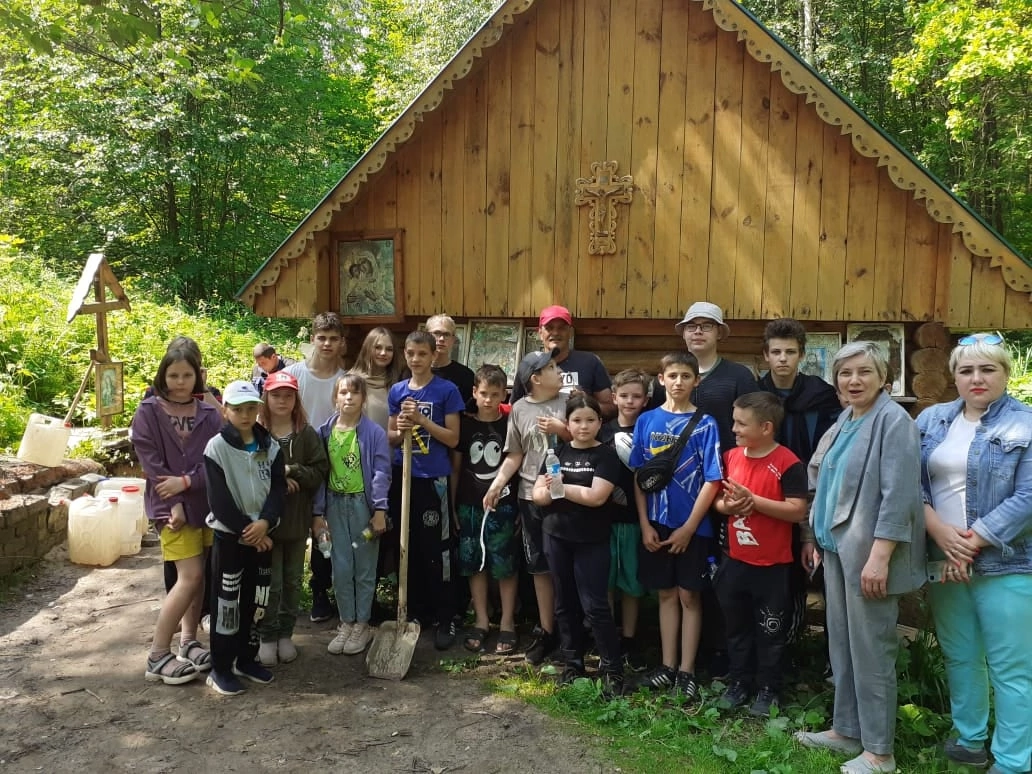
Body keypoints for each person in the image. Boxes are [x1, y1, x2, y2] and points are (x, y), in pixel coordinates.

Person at [794, 342, 925, 774]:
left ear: (883, 377)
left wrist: (880, 556)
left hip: (870, 555)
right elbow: (823, 481)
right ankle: (847, 729)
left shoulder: (894, 422)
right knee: (843, 644)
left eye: (863, 372)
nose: (854, 380)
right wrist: (813, 534)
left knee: (872, 649)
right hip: (837, 551)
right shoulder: (845, 419)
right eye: (845, 373)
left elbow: (900, 495)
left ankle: (880, 753)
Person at [916, 333, 1032, 774]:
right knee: (961, 655)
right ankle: (969, 741)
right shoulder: (931, 421)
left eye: (988, 369)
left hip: (1007, 563)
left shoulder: (1026, 423)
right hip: (943, 559)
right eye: (966, 370)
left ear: (1005, 373)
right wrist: (941, 536)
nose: (977, 378)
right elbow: (914, 485)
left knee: (1012, 667)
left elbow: (1028, 496)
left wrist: (970, 541)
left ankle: (1013, 762)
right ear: (954, 377)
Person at [630, 352, 723, 698]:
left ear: (696, 381)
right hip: (656, 523)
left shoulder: (707, 424)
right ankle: (667, 666)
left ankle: (687, 670)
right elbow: (640, 476)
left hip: (693, 528)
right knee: (666, 594)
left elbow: (712, 480)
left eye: (686, 376)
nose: (679, 382)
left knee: (690, 596)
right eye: (673, 375)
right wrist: (644, 525)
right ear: (661, 379)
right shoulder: (647, 421)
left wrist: (688, 528)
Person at [712, 392, 808, 716]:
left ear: (766, 427)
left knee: (771, 630)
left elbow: (797, 511)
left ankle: (769, 689)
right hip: (734, 561)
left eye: (741, 423)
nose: (734, 428)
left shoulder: (788, 463)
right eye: (734, 421)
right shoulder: (730, 457)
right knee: (736, 627)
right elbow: (717, 503)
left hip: (773, 566)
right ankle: (739, 682)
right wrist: (730, 505)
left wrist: (754, 501)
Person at [134, 345, 222, 685]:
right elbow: (151, 462)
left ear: (198, 375)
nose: (180, 382)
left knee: (199, 575)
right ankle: (158, 654)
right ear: (163, 375)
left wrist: (187, 482)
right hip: (169, 509)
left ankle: (189, 641)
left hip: (204, 505)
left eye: (187, 375)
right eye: (173, 375)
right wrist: (173, 503)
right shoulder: (149, 412)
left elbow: (215, 462)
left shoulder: (210, 414)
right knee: (189, 577)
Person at [757, 318, 842, 648]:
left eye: (790, 352)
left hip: (813, 492)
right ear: (765, 355)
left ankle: (827, 653)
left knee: (815, 568)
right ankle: (777, 644)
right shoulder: (756, 394)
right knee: (776, 573)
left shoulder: (821, 396)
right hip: (767, 494)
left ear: (801, 355)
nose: (782, 359)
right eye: (776, 352)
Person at [484, 347, 572, 664]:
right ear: (535, 379)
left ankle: (571, 633)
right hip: (528, 495)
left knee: (568, 564)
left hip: (568, 495)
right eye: (551, 367)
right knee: (539, 564)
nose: (559, 370)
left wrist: (563, 430)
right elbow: (515, 454)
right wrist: (496, 485)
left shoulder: (570, 401)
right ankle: (547, 630)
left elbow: (589, 439)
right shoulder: (519, 408)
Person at [532, 394, 624, 695]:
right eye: (576, 420)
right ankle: (573, 662)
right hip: (556, 536)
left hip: (591, 541)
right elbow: (539, 496)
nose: (583, 426)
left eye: (590, 420)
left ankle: (612, 668)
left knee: (595, 605)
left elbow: (597, 498)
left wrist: (560, 488)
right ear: (567, 423)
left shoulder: (606, 457)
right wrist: (554, 491)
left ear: (600, 422)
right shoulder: (556, 452)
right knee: (564, 603)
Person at [203, 380, 287, 696]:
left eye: (251, 408)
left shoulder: (271, 446)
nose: (245, 414)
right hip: (230, 539)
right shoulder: (217, 448)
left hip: (263, 536)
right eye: (237, 409)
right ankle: (220, 667)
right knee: (227, 604)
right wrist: (247, 532)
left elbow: (278, 489)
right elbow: (219, 500)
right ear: (225, 410)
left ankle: (245, 659)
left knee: (257, 600)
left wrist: (266, 522)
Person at [388, 330, 464, 649]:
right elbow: (391, 436)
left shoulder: (446, 390)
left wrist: (421, 420)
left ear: (433, 355)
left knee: (439, 549)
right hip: (404, 478)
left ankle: (446, 616)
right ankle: (416, 614)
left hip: (435, 478)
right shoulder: (397, 391)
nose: (416, 359)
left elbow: (453, 439)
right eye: (410, 353)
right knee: (409, 546)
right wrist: (399, 429)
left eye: (422, 354)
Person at [255, 371, 328, 666]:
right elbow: (248, 475)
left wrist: (292, 469)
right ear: (266, 398)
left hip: (297, 524)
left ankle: (286, 633)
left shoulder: (306, 434)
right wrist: (278, 480)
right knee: (270, 584)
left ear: (296, 399)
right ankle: (266, 635)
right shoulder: (256, 433)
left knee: (294, 581)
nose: (282, 401)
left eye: (288, 395)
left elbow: (320, 472)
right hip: (266, 525)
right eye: (276, 395)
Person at [317, 373, 391, 656]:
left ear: (363, 398)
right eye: (343, 392)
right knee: (341, 566)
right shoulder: (324, 432)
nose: (349, 397)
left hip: (363, 508)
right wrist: (317, 513)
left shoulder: (374, 434)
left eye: (354, 393)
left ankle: (363, 623)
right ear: (335, 397)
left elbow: (382, 473)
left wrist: (380, 510)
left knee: (364, 567)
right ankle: (346, 622)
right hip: (335, 507)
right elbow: (319, 475)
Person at [451, 364, 520, 655]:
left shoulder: (510, 424)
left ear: (505, 393)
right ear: (474, 393)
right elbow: (456, 467)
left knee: (504, 565)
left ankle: (507, 621)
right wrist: (453, 505)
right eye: (483, 393)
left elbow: (516, 461)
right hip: (469, 505)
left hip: (503, 505)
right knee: (474, 563)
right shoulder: (465, 425)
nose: (489, 399)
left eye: (495, 394)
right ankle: (481, 619)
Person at [286, 312, 348, 623]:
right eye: (321, 338)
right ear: (313, 340)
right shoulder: (294, 374)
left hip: (335, 463)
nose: (326, 343)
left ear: (342, 343)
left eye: (333, 338)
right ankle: (285, 593)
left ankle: (321, 591)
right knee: (293, 526)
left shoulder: (346, 381)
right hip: (298, 462)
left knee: (326, 528)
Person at [597, 368, 650, 670]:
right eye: (624, 396)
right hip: (603, 518)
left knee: (631, 581)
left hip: (634, 517)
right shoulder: (602, 430)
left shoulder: (649, 429)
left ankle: (630, 639)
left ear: (645, 399)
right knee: (605, 580)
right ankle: (607, 637)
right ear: (614, 397)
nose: (630, 401)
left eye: (637, 396)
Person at [509, 305, 615, 419]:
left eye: (561, 328)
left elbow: (611, 408)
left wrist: (587, 402)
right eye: (549, 328)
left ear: (570, 332)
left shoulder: (590, 362)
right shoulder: (529, 365)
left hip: (579, 435)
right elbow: (514, 407)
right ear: (540, 333)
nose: (555, 332)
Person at [349, 327, 405, 430]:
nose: (383, 353)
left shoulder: (398, 384)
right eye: (378, 347)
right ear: (367, 348)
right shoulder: (351, 381)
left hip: (389, 444)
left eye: (389, 349)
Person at [426, 314, 475, 408]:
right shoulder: (412, 372)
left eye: (446, 334)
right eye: (436, 333)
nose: (441, 339)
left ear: (453, 340)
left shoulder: (466, 376)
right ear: (426, 336)